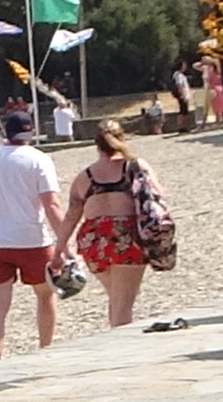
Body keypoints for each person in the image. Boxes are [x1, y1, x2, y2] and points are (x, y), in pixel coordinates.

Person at [0, 108, 67, 363]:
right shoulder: (38, 159)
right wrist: (64, 242)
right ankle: (45, 348)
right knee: (45, 294)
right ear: (30, 131)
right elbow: (51, 204)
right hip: (31, 238)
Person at [63, 121, 163, 330]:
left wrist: (58, 250)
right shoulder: (135, 167)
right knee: (123, 306)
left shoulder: (85, 177)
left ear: (97, 145)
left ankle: (115, 339)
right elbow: (158, 197)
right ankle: (122, 351)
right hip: (126, 237)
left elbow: (72, 216)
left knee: (116, 299)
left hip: (93, 239)